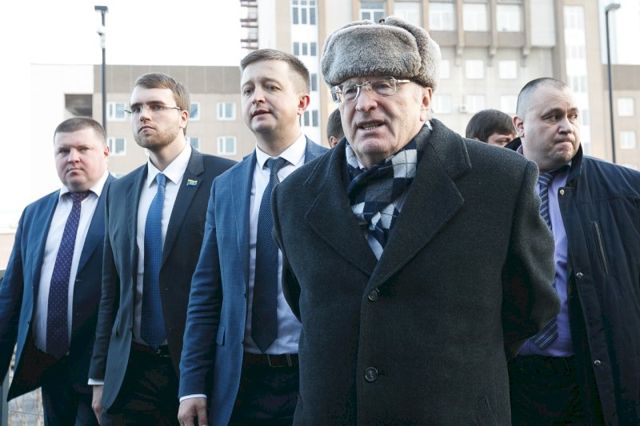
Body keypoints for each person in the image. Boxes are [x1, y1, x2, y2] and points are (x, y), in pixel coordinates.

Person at [270, 17, 560, 425]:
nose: (363, 103)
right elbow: (304, 301)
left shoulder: (501, 180)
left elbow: (532, 306)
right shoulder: (294, 195)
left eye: (384, 84)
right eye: (349, 89)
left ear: (425, 98)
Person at [177, 49, 327, 426]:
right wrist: (192, 385)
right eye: (247, 90)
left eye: (270, 87)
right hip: (241, 383)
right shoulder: (225, 186)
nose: (256, 97)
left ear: (303, 102)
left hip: (314, 378)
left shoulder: (335, 173)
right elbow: (205, 290)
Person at [89, 72, 235, 425]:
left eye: (156, 106)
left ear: (183, 117)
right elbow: (112, 290)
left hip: (198, 371)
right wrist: (99, 375)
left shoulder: (225, 177)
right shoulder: (119, 191)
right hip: (130, 373)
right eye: (136, 108)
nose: (144, 115)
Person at [507, 77, 640, 425]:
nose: (566, 126)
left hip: (589, 374)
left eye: (573, 116)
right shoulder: (490, 188)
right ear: (520, 125)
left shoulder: (624, 191)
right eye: (552, 117)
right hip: (515, 378)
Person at [0, 117, 112, 425]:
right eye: (63, 151)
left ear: (105, 152)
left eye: (83, 149)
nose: (72, 157)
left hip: (103, 371)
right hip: (49, 367)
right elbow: (12, 295)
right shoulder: (34, 213)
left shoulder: (127, 202)